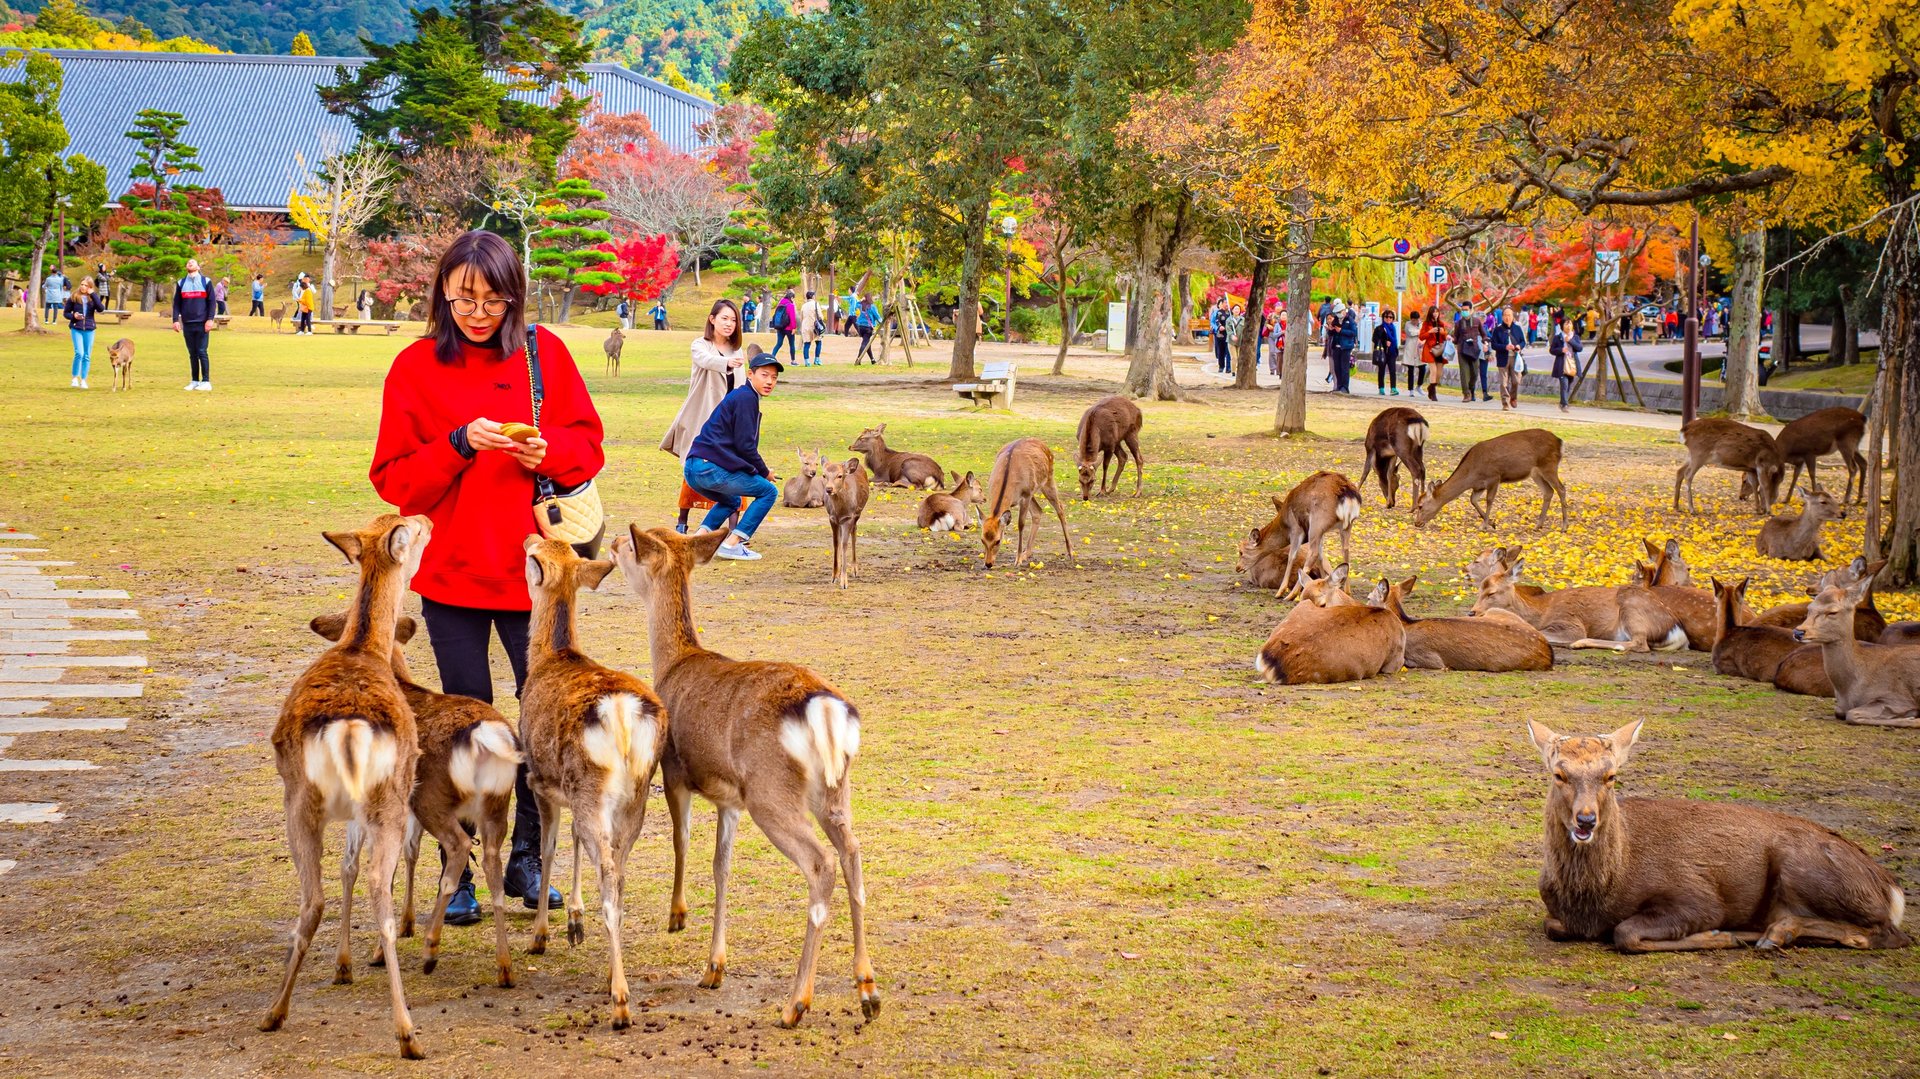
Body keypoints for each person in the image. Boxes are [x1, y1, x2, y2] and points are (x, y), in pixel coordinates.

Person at [370, 228, 602, 923]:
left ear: (513, 298)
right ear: (443, 290)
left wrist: (544, 450)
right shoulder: (414, 367)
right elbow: (393, 479)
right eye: (465, 296)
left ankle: (528, 856)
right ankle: (462, 861)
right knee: (467, 725)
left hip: (534, 576)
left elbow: (586, 446)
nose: (478, 311)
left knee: (537, 720)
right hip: (452, 577)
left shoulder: (544, 355)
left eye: (494, 299)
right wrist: (457, 443)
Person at [684, 349, 784, 561]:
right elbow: (745, 447)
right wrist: (764, 472)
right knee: (768, 492)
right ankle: (733, 544)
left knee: (731, 501)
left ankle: (697, 542)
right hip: (709, 467)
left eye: (774, 377)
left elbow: (739, 446)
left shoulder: (743, 396)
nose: (770, 382)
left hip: (693, 468)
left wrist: (756, 470)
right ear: (750, 374)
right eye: (764, 375)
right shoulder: (746, 398)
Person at [661, 299, 745, 533]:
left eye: (734, 319)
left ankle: (733, 531)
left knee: (734, 471)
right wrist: (726, 362)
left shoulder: (737, 350)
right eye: (724, 318)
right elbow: (706, 361)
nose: (729, 324)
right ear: (712, 319)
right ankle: (682, 522)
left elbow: (740, 385)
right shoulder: (700, 345)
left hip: (729, 423)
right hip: (703, 420)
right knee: (695, 470)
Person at [172, 257, 217, 391]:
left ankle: (206, 381)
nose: (190, 263)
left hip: (203, 323)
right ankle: (195, 380)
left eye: (193, 262)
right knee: (192, 353)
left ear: (198, 267)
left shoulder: (206, 281)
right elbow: (176, 304)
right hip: (188, 323)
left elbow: (212, 302)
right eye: (188, 262)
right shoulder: (181, 283)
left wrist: (210, 319)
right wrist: (175, 320)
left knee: (202, 351)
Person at [64, 276, 103, 389]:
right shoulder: (74, 297)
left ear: (90, 287)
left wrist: (93, 295)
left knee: (87, 356)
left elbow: (101, 309)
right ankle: (75, 378)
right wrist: (74, 316)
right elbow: (66, 313)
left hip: (89, 329)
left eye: (86, 285)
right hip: (77, 328)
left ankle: (84, 380)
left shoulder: (93, 298)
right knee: (79, 353)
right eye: (82, 284)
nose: (83, 287)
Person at [1491, 307, 1523, 410]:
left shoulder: (1517, 329)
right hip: (1502, 358)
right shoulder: (1498, 330)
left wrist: (1519, 346)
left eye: (1509, 315)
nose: (1507, 318)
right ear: (1502, 317)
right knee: (1503, 383)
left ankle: (1513, 398)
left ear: (1513, 316)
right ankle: (1505, 403)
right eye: (1505, 315)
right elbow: (1493, 345)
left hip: (1515, 358)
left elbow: (1523, 341)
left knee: (1516, 381)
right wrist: (1504, 347)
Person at [1454, 303, 1487, 402]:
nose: (1464, 311)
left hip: (1474, 349)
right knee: (1464, 373)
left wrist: (1485, 343)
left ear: (1471, 310)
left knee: (1474, 373)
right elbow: (1455, 337)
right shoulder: (1458, 323)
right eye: (1462, 310)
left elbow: (1484, 334)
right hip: (1462, 350)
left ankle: (1471, 388)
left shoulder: (1477, 321)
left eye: (1466, 309)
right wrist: (1452, 339)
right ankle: (1466, 394)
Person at [1549, 314, 1579, 411]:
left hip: (1572, 365)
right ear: (1562, 326)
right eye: (1566, 324)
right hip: (1562, 364)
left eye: (1570, 323)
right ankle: (1565, 405)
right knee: (1564, 384)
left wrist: (1570, 341)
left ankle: (1562, 403)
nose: (1569, 326)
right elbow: (1552, 350)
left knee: (1569, 384)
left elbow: (1580, 348)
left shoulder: (1575, 337)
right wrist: (1561, 350)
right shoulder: (1558, 337)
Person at [1419, 304, 1448, 403]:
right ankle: (1434, 393)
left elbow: (1445, 337)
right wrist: (1430, 331)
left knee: (1439, 373)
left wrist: (1443, 332)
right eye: (1433, 312)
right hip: (1430, 349)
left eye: (1437, 312)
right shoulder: (1426, 324)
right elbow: (1421, 336)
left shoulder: (1441, 323)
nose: (1435, 314)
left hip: (1439, 349)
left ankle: (1431, 387)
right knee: (1433, 370)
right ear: (1430, 313)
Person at [1327, 299, 1358, 393]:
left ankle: (1345, 387)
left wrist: (1341, 331)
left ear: (1344, 311)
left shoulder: (1350, 320)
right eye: (1336, 313)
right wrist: (1331, 329)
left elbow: (1353, 333)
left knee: (1345, 368)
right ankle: (1339, 386)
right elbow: (1331, 333)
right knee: (1337, 367)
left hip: (1346, 347)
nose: (1338, 314)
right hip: (1336, 347)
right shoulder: (1335, 320)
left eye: (1340, 312)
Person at [768, 288, 799, 364]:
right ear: (791, 298)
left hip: (780, 327)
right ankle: (793, 360)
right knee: (791, 344)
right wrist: (794, 328)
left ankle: (772, 356)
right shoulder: (790, 305)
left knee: (779, 343)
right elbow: (792, 318)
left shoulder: (780, 304)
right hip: (788, 328)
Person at [1372, 309, 1399, 395]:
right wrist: (1384, 342)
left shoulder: (1393, 328)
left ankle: (1393, 388)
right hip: (1382, 352)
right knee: (1382, 370)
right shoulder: (1379, 328)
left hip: (1392, 352)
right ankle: (1381, 388)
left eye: (1390, 317)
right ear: (1383, 317)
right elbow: (1374, 339)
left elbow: (1395, 340)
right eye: (1386, 317)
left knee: (1392, 370)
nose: (1388, 319)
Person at [799, 289, 825, 366]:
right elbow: (820, 316)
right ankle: (817, 360)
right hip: (815, 326)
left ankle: (807, 362)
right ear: (813, 296)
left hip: (805, 326)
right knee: (818, 342)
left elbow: (801, 317)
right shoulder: (816, 304)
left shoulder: (803, 306)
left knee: (806, 344)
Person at [854, 294, 880, 364]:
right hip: (868, 328)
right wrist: (882, 322)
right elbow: (878, 317)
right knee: (865, 343)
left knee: (867, 343)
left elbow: (855, 307)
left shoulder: (859, 305)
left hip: (860, 327)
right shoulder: (872, 307)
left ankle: (872, 359)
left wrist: (860, 300)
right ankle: (858, 359)